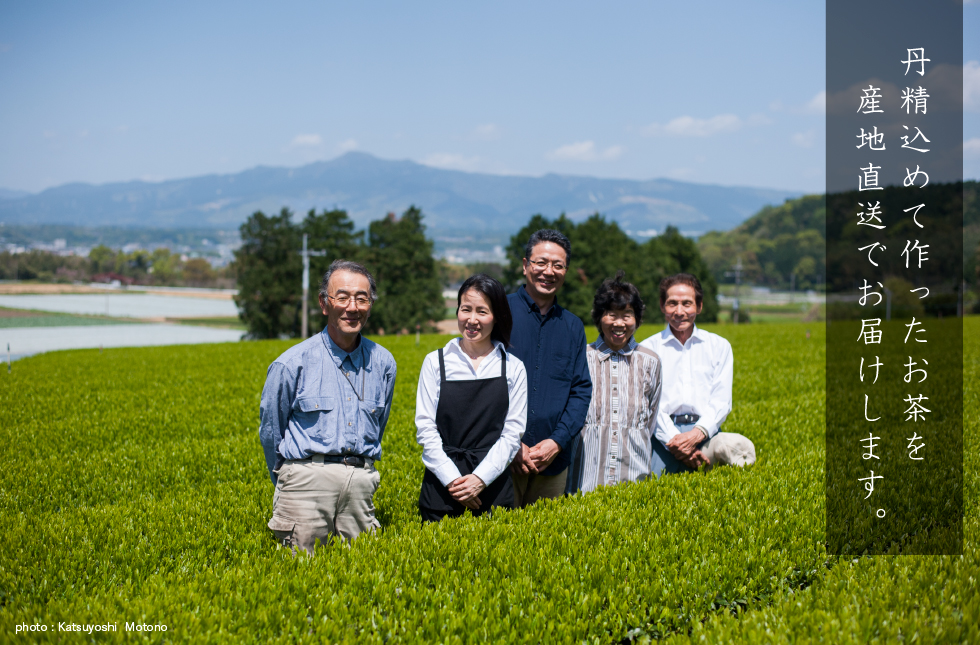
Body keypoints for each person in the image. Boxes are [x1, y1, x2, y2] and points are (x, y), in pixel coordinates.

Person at [259, 260, 397, 554]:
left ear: (370, 304)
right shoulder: (291, 363)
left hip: (360, 485)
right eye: (342, 297)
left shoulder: (384, 363)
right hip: (305, 485)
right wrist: (289, 479)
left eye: (362, 298)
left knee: (365, 579)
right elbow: (272, 430)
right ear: (325, 303)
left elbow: (378, 425)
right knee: (298, 579)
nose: (352, 307)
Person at [416, 274, 527, 521]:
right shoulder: (436, 362)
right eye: (466, 309)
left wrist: (480, 479)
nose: (472, 320)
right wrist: (453, 480)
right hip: (441, 490)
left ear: (496, 316)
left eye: (482, 312)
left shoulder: (513, 367)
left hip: (493, 488)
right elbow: (425, 428)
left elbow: (512, 434)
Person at [507, 229, 592, 506]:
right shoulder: (499, 313)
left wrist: (556, 442)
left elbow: (580, 391)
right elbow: (480, 384)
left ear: (565, 271)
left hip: (552, 462)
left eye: (558, 265)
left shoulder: (573, 326)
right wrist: (508, 442)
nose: (549, 271)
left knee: (543, 542)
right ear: (525, 265)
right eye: (541, 262)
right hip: (501, 457)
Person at [639, 273, 755, 476]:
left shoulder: (719, 346)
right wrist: (676, 442)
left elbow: (721, 401)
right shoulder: (647, 349)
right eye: (672, 303)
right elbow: (649, 405)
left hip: (706, 434)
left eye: (687, 303)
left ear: (699, 306)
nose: (679, 311)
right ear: (662, 306)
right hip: (661, 437)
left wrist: (695, 436)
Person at [566, 271, 662, 493]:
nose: (619, 323)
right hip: (584, 480)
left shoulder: (650, 361)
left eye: (627, 315)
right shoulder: (581, 357)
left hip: (634, 480)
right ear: (599, 317)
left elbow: (650, 420)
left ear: (637, 319)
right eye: (611, 314)